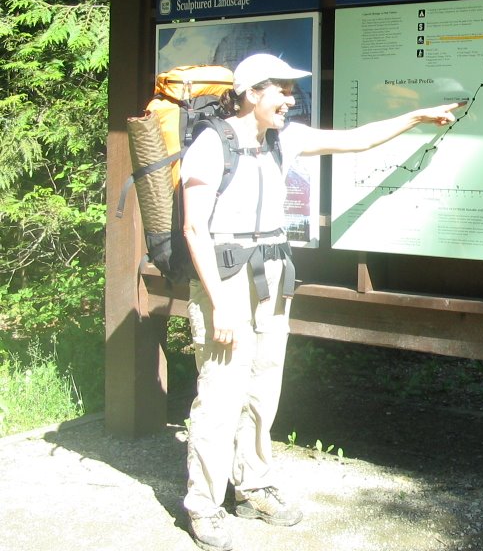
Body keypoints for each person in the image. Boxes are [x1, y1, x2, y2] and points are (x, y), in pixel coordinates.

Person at [180, 53, 458, 551]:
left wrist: (417, 117)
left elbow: (358, 139)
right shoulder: (210, 143)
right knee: (221, 393)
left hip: (272, 274)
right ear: (251, 92)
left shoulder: (286, 138)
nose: (291, 99)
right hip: (225, 278)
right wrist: (220, 303)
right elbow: (194, 227)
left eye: (291, 91)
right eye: (282, 91)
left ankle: (253, 484)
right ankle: (204, 504)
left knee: (263, 388)